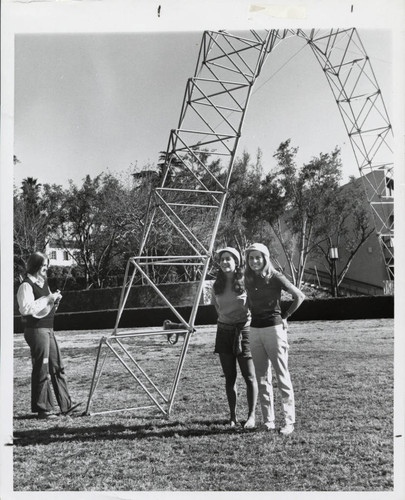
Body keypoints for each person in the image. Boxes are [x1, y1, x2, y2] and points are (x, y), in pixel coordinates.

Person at [245, 243, 305, 435]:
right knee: (262, 378)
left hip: (274, 329)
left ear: (265, 258)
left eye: (258, 257)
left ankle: (289, 422)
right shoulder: (248, 278)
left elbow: (299, 296)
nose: (254, 261)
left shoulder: (276, 277)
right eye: (251, 257)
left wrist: (285, 316)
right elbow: (248, 302)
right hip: (254, 330)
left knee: (282, 375)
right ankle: (268, 420)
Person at [16, 252, 82, 419]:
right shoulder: (26, 286)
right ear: (36, 266)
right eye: (44, 265)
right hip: (36, 331)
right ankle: (42, 409)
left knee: (57, 367)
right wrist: (48, 298)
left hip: (48, 329)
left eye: (47, 265)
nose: (46, 269)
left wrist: (54, 302)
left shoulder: (43, 283)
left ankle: (66, 406)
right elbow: (26, 309)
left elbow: (44, 308)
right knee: (42, 369)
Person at [212, 247, 258, 429]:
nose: (224, 262)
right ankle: (232, 417)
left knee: (249, 376)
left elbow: (254, 305)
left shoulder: (247, 281)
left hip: (244, 331)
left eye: (228, 259)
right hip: (224, 331)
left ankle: (251, 416)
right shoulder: (216, 285)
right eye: (222, 259)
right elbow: (216, 306)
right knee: (230, 377)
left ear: (236, 261)